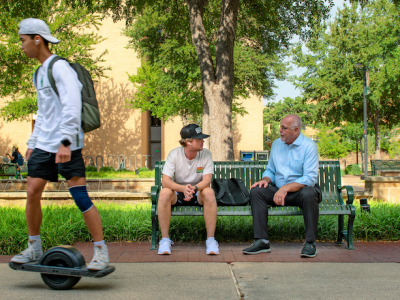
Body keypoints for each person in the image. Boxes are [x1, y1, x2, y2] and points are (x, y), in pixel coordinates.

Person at [11, 18, 109, 270]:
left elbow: (72, 104)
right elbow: (43, 112)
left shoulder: (60, 67)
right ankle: (34, 246)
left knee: (80, 196)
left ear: (37, 39)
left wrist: (65, 141)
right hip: (44, 144)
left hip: (67, 145)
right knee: (32, 191)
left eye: (23, 41)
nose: (21, 46)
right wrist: (33, 142)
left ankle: (100, 251)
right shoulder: (38, 72)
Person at [242, 114, 321, 257]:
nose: (280, 131)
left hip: (300, 192)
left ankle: (310, 243)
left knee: (310, 193)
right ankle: (261, 241)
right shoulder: (277, 144)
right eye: (280, 127)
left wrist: (286, 188)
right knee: (256, 191)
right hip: (279, 191)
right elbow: (271, 170)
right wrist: (265, 179)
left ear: (296, 130)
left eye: (284, 128)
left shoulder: (309, 146)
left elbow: (309, 178)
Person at [157, 124, 219, 255]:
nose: (203, 141)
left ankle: (211, 240)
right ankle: (165, 240)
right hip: (178, 193)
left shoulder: (206, 154)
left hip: (198, 192)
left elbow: (207, 180)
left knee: (209, 192)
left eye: (202, 138)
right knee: (163, 193)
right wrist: (182, 188)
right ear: (188, 142)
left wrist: (194, 188)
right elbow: (165, 181)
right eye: (199, 139)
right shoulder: (174, 154)